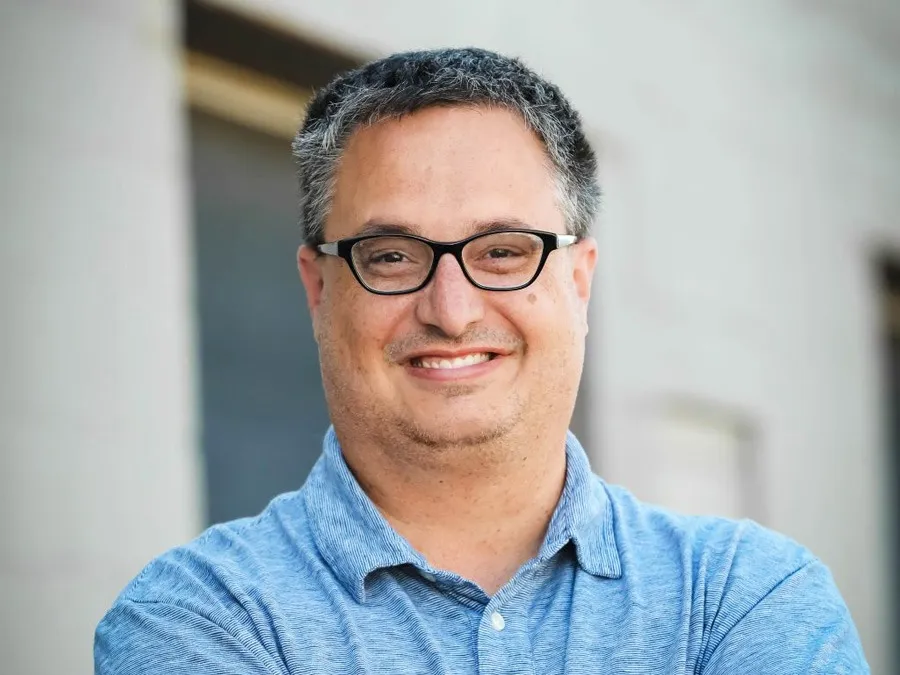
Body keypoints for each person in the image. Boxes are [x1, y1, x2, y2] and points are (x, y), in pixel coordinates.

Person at [94, 47, 868, 674]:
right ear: (318, 289)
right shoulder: (197, 618)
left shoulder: (742, 596)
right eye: (391, 255)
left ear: (578, 280)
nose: (452, 309)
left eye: (503, 251)